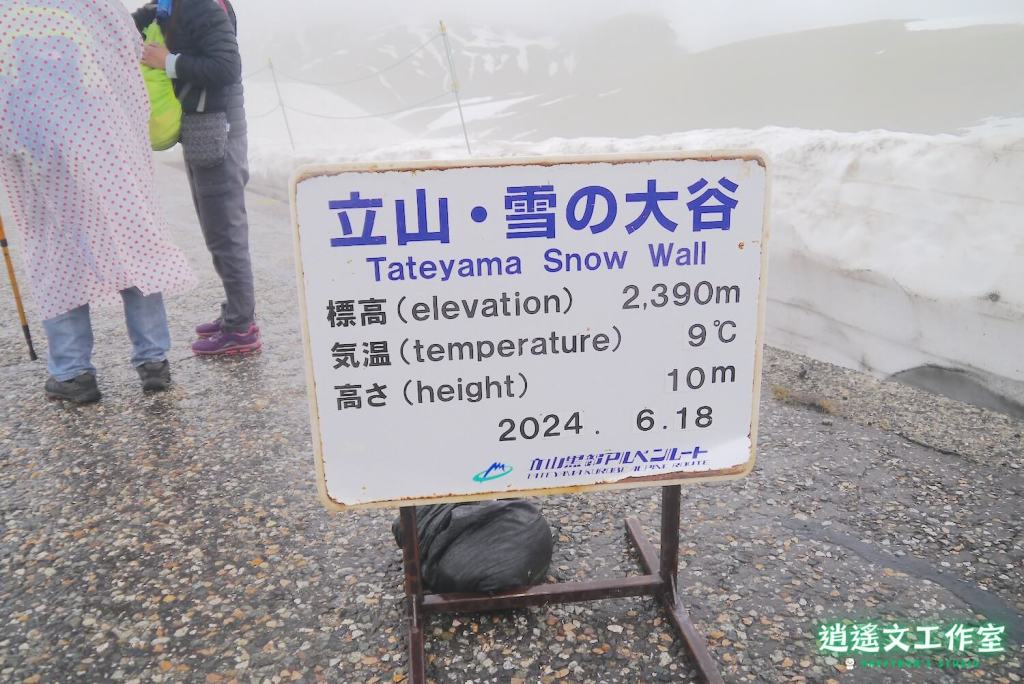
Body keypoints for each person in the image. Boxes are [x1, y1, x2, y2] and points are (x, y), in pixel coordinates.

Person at [0, 0, 196, 404]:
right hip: (105, 137)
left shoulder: (8, 14)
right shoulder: (98, 6)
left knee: (56, 250)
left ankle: (73, 373)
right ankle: (153, 361)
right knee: (132, 238)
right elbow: (127, 61)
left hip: (39, 152)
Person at [133, 0, 261, 356]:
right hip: (204, 129)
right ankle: (237, 315)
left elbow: (227, 66)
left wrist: (168, 62)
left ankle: (242, 328)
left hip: (218, 131)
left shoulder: (199, 5)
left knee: (226, 234)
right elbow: (130, 24)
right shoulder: (169, 6)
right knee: (216, 230)